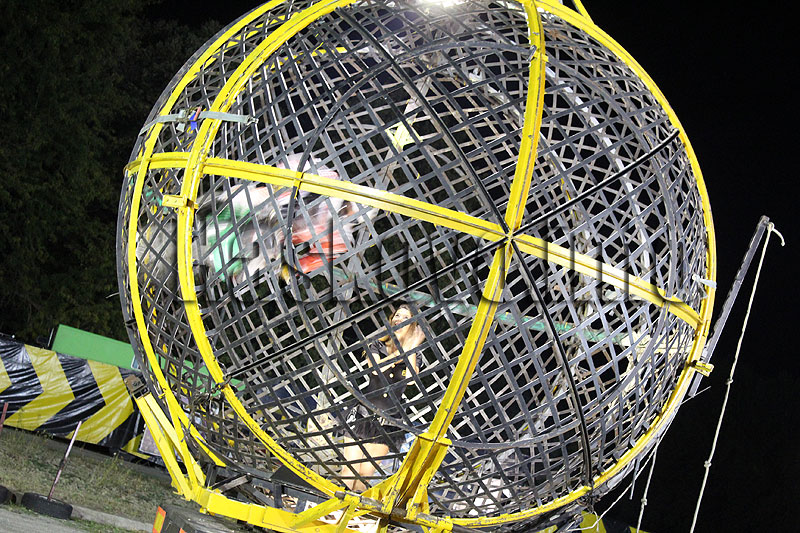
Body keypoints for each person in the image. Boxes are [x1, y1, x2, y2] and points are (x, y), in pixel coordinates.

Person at [342, 305, 426, 491]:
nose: (399, 319)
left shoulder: (415, 354)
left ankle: (352, 508)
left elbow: (412, 379)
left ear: (413, 325)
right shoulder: (377, 344)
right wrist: (402, 350)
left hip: (389, 422)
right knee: (350, 471)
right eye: (397, 315)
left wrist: (411, 349)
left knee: (365, 476)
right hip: (364, 414)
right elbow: (376, 370)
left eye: (405, 317)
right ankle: (333, 506)